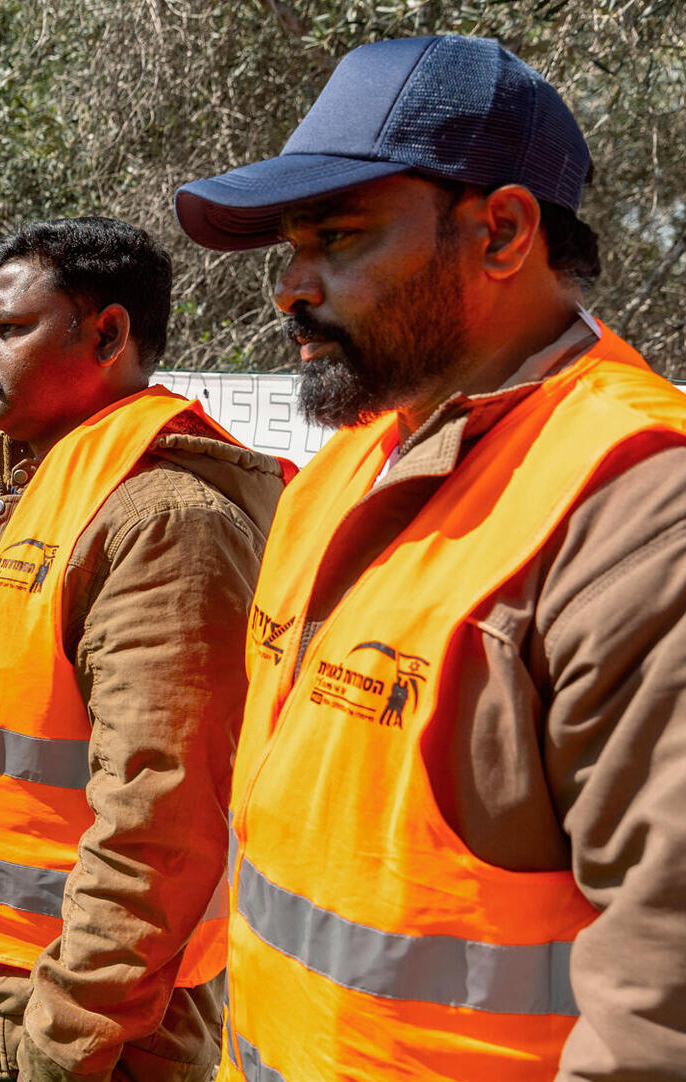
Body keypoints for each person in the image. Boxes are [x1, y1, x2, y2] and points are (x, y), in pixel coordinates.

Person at [174, 35, 686, 1081]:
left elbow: (662, 1009)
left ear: (501, 231)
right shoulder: (348, 466)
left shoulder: (638, 508)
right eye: (289, 245)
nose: (290, 287)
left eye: (339, 238)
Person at [0, 219, 284, 1082]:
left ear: (107, 335)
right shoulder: (36, 485)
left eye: (9, 328)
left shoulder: (165, 519)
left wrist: (65, 1039)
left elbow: (158, 820)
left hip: (70, 1025)